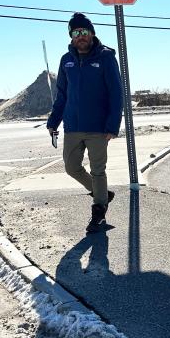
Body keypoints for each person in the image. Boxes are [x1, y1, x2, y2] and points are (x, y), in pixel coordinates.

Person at [47, 13, 124, 233]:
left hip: (98, 128)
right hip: (72, 126)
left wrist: (112, 126)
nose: (80, 36)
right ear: (71, 37)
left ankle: (98, 210)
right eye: (76, 33)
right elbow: (62, 94)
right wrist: (54, 121)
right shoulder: (66, 60)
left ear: (91, 33)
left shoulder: (106, 57)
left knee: (98, 170)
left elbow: (116, 93)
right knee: (71, 167)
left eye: (84, 32)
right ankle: (103, 194)